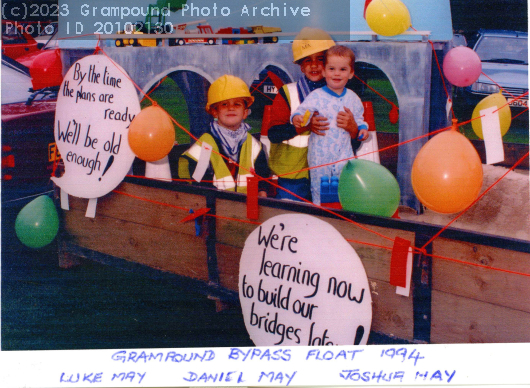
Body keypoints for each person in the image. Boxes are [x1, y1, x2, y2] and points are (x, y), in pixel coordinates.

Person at [267, 27, 359, 201]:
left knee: (330, 216)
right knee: (292, 218)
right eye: (308, 60)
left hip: (329, 173)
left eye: (320, 59)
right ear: (301, 66)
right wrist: (304, 126)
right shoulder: (288, 93)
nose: (315, 65)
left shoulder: (344, 95)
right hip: (293, 175)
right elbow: (274, 134)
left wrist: (353, 129)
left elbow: (352, 141)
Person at [291, 45, 369, 205]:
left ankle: (343, 216)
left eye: (342, 69)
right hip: (320, 156)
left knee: (343, 187)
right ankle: (321, 214)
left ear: (351, 73)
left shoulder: (353, 98)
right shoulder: (316, 96)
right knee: (320, 189)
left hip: (344, 155)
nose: (337, 73)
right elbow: (302, 111)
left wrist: (362, 129)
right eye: (332, 68)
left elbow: (360, 119)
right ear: (324, 72)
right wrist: (298, 118)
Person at [178, 75, 269, 196]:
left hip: (248, 210)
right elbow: (199, 182)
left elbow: (262, 178)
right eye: (224, 104)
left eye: (237, 104)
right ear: (215, 112)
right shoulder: (206, 145)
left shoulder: (254, 146)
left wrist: (262, 192)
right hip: (215, 209)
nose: (231, 108)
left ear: (245, 112)